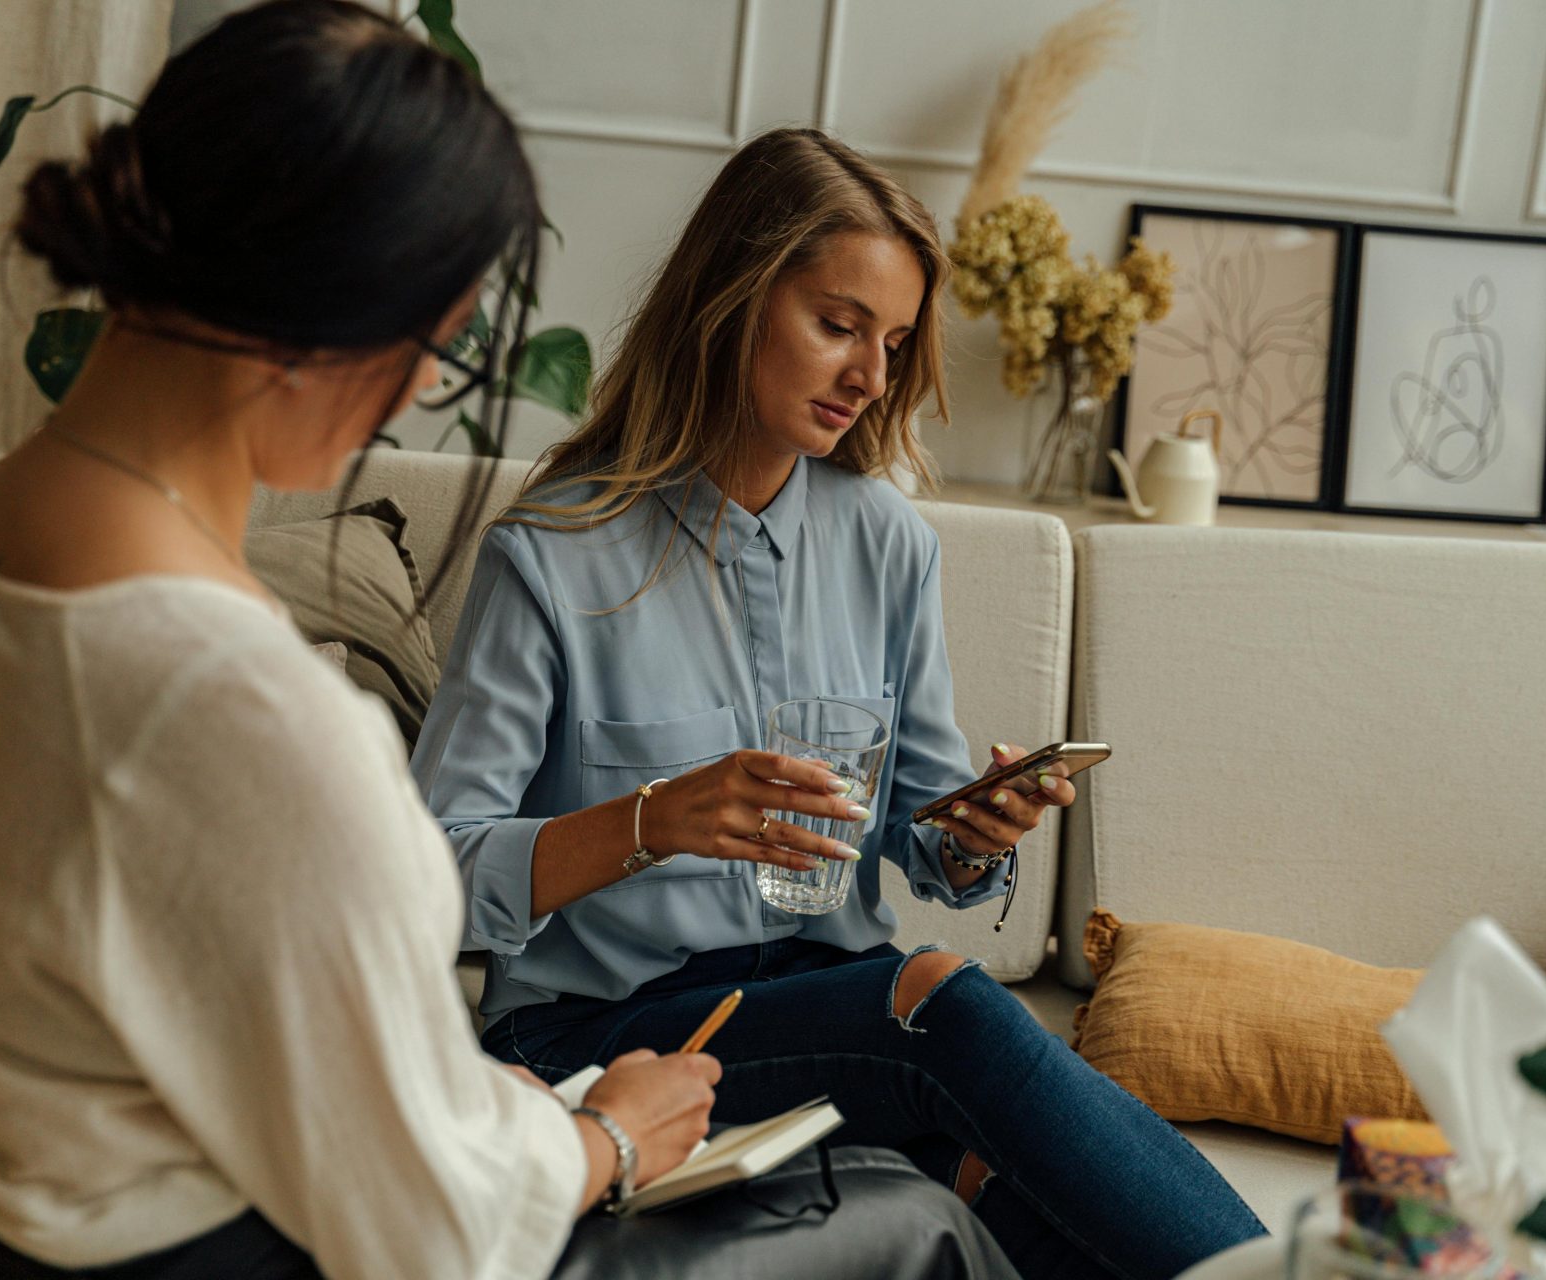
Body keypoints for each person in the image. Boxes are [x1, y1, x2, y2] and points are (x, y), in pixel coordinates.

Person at [0, 6, 1013, 1278]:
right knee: (926, 1229)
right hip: (253, 1243)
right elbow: (436, 1216)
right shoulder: (246, 709)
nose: (417, 386)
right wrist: (608, 1137)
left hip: (73, 1219)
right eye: (429, 332)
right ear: (322, 295)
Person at [414, 126, 1270, 1279]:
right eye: (839, 324)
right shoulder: (552, 555)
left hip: (828, 1014)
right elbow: (431, 879)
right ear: (732, 300)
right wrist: (651, 820)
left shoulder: (887, 544)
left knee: (1016, 1208)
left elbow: (927, 841)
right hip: (609, 1033)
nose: (872, 374)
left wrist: (974, 834)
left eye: (897, 340)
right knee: (937, 999)